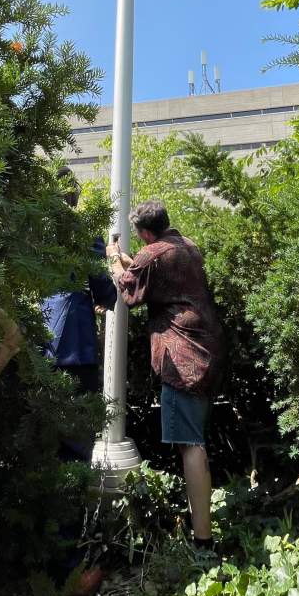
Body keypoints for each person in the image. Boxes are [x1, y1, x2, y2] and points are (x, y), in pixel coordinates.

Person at [107, 201, 225, 549]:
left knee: (191, 446)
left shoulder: (151, 255)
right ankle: (199, 525)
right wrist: (134, 262)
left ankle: (203, 540)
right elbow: (158, 278)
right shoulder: (186, 246)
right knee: (196, 441)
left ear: (144, 233)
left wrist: (115, 255)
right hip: (209, 352)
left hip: (183, 360)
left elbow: (129, 291)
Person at [40, 168, 118, 460]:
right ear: (74, 197)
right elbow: (103, 289)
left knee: (44, 430)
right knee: (77, 431)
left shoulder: (35, 229)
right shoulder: (82, 228)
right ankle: (73, 496)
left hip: (39, 335)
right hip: (75, 340)